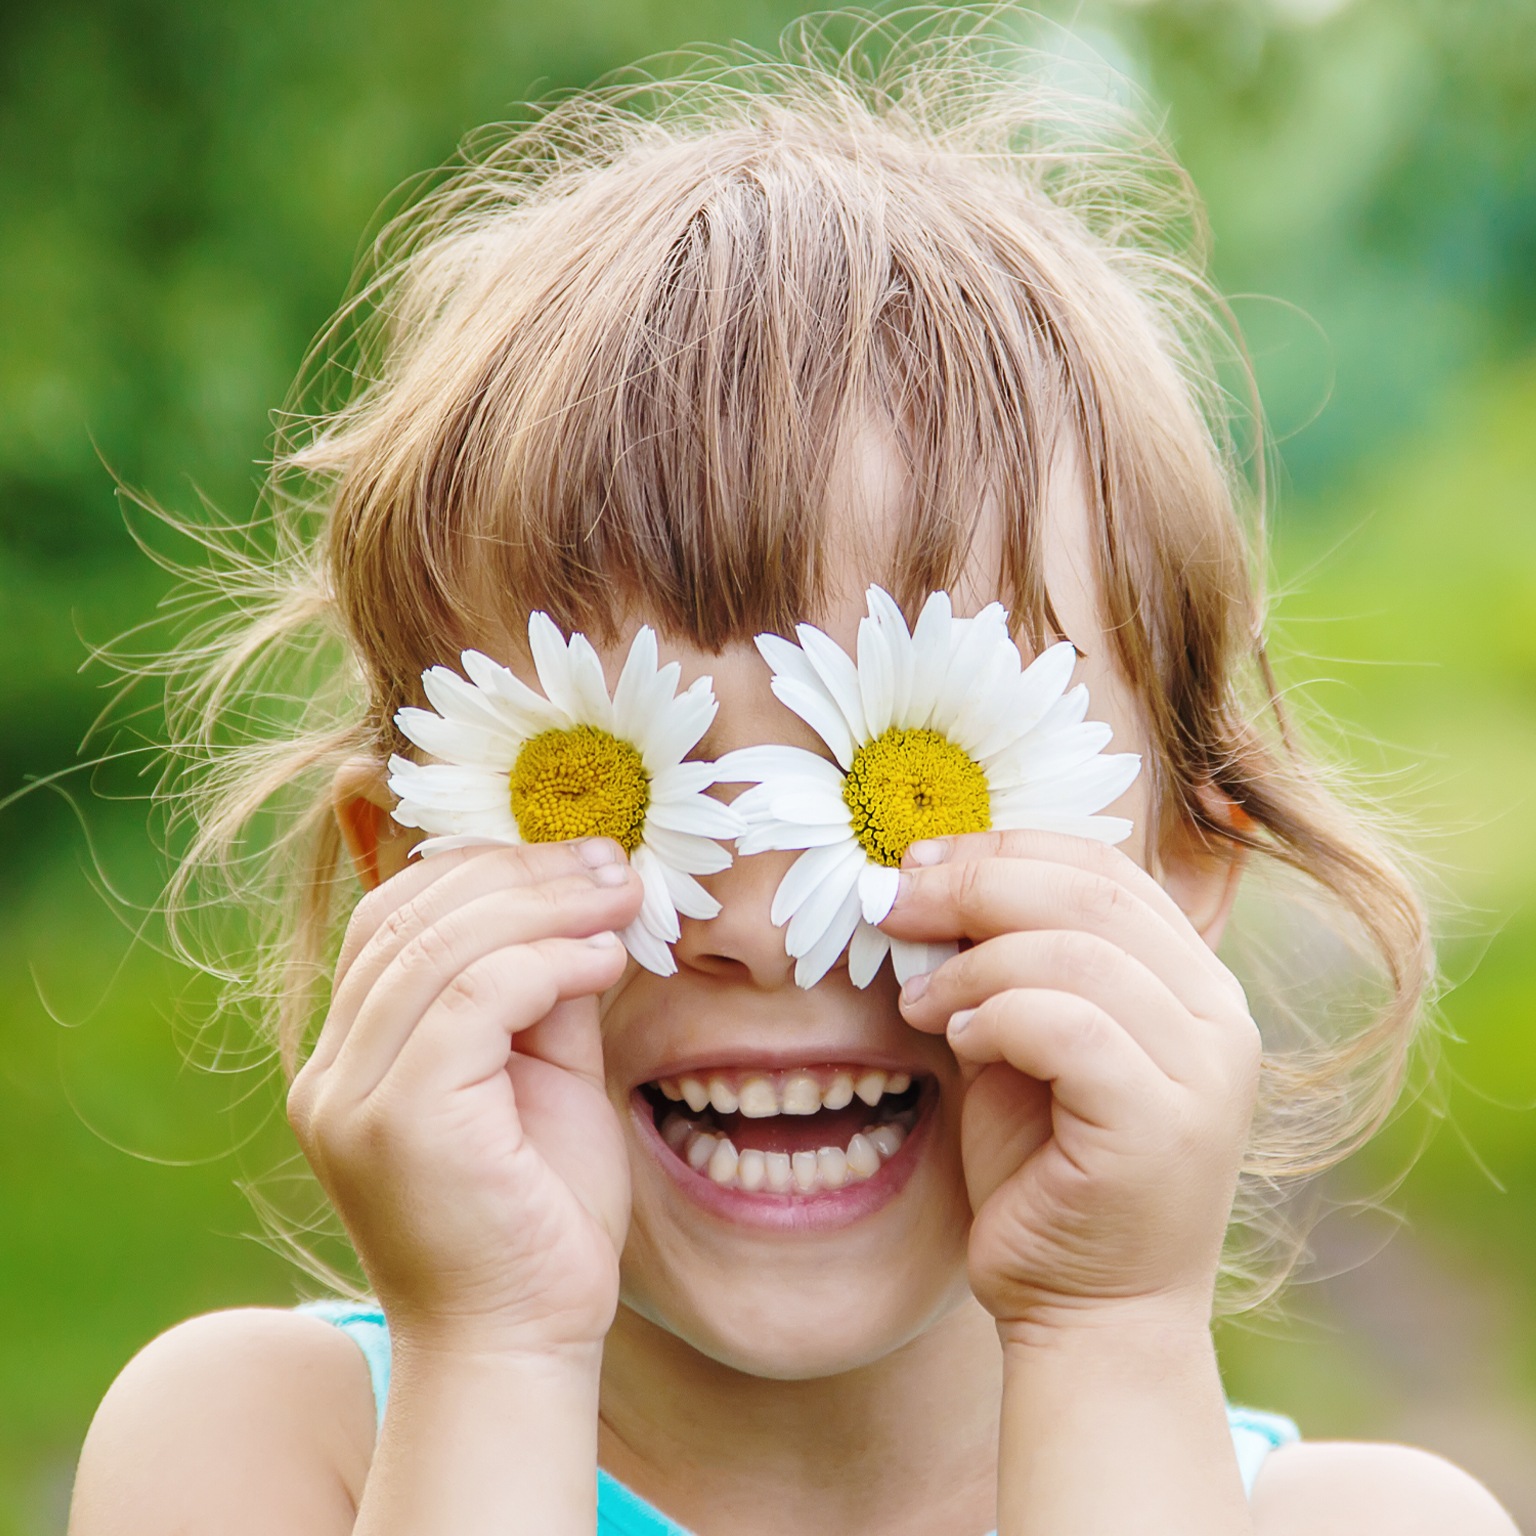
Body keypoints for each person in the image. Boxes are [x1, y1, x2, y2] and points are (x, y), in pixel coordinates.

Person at [66, 16, 1520, 1535]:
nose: (762, 928)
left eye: (924, 795)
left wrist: (1109, 1334)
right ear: (405, 870)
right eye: (618, 796)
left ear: (1183, 860)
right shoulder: (259, 1454)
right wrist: (495, 1349)